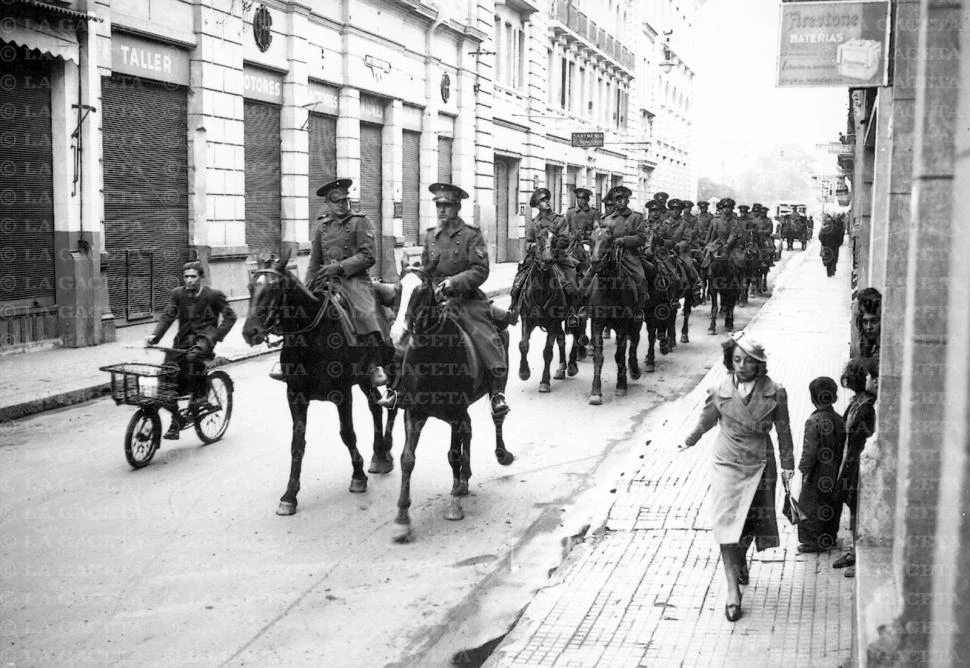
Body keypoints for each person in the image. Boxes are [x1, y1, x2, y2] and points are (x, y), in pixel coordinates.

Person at [679, 331, 794, 622]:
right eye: (737, 359)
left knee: (751, 521)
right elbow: (706, 419)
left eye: (748, 361)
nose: (741, 366)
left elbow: (784, 431)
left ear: (759, 365)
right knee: (726, 522)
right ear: (730, 360)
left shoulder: (775, 392)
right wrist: (689, 439)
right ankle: (733, 590)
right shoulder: (719, 389)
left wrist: (788, 468)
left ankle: (741, 557)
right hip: (726, 462)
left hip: (759, 463)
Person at [380, 183, 510, 416]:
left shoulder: (471, 235)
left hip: (466, 299)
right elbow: (427, 269)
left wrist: (453, 282)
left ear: (457, 207)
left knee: (485, 335)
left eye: (447, 205)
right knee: (406, 331)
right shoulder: (431, 235)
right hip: (434, 297)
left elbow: (480, 269)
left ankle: (496, 393)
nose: (442, 210)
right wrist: (417, 277)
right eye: (439, 205)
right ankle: (397, 387)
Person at [293, 177, 389, 390]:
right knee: (300, 311)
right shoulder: (321, 225)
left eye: (344, 200)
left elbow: (368, 256)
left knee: (365, 313)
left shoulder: (360, 222)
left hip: (354, 280)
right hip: (325, 280)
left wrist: (340, 267)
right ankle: (293, 360)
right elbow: (314, 261)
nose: (342, 205)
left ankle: (374, 365)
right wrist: (306, 285)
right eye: (336, 202)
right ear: (328, 202)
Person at [146, 261, 237, 439]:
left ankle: (201, 394)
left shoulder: (213, 295)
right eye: (186, 277)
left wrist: (215, 335)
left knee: (192, 358)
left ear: (201, 278)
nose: (189, 280)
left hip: (204, 340)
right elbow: (168, 316)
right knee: (166, 375)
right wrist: (154, 336)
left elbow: (230, 317)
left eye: (193, 276)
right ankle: (177, 418)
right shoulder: (177, 294)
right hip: (182, 342)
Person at [833, 358, 877, 577]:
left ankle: (861, 556)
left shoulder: (868, 407)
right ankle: (854, 550)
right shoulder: (856, 402)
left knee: (860, 508)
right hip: (849, 461)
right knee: (852, 506)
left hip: (861, 464)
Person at [796, 376, 845, 553]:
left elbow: (809, 451)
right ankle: (829, 538)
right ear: (834, 397)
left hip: (817, 472)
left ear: (812, 398)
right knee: (832, 504)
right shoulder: (840, 420)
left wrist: (803, 469)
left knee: (810, 505)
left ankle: (812, 541)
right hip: (835, 470)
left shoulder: (813, 421)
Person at [601, 185, 650, 319]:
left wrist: (623, 240)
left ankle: (639, 308)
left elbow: (642, 237)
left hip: (629, 255)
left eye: (623, 198)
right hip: (609, 255)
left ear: (628, 200)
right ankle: (584, 304)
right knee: (589, 275)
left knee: (641, 278)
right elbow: (601, 237)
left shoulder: (636, 217)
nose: (620, 201)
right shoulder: (607, 219)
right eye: (617, 199)